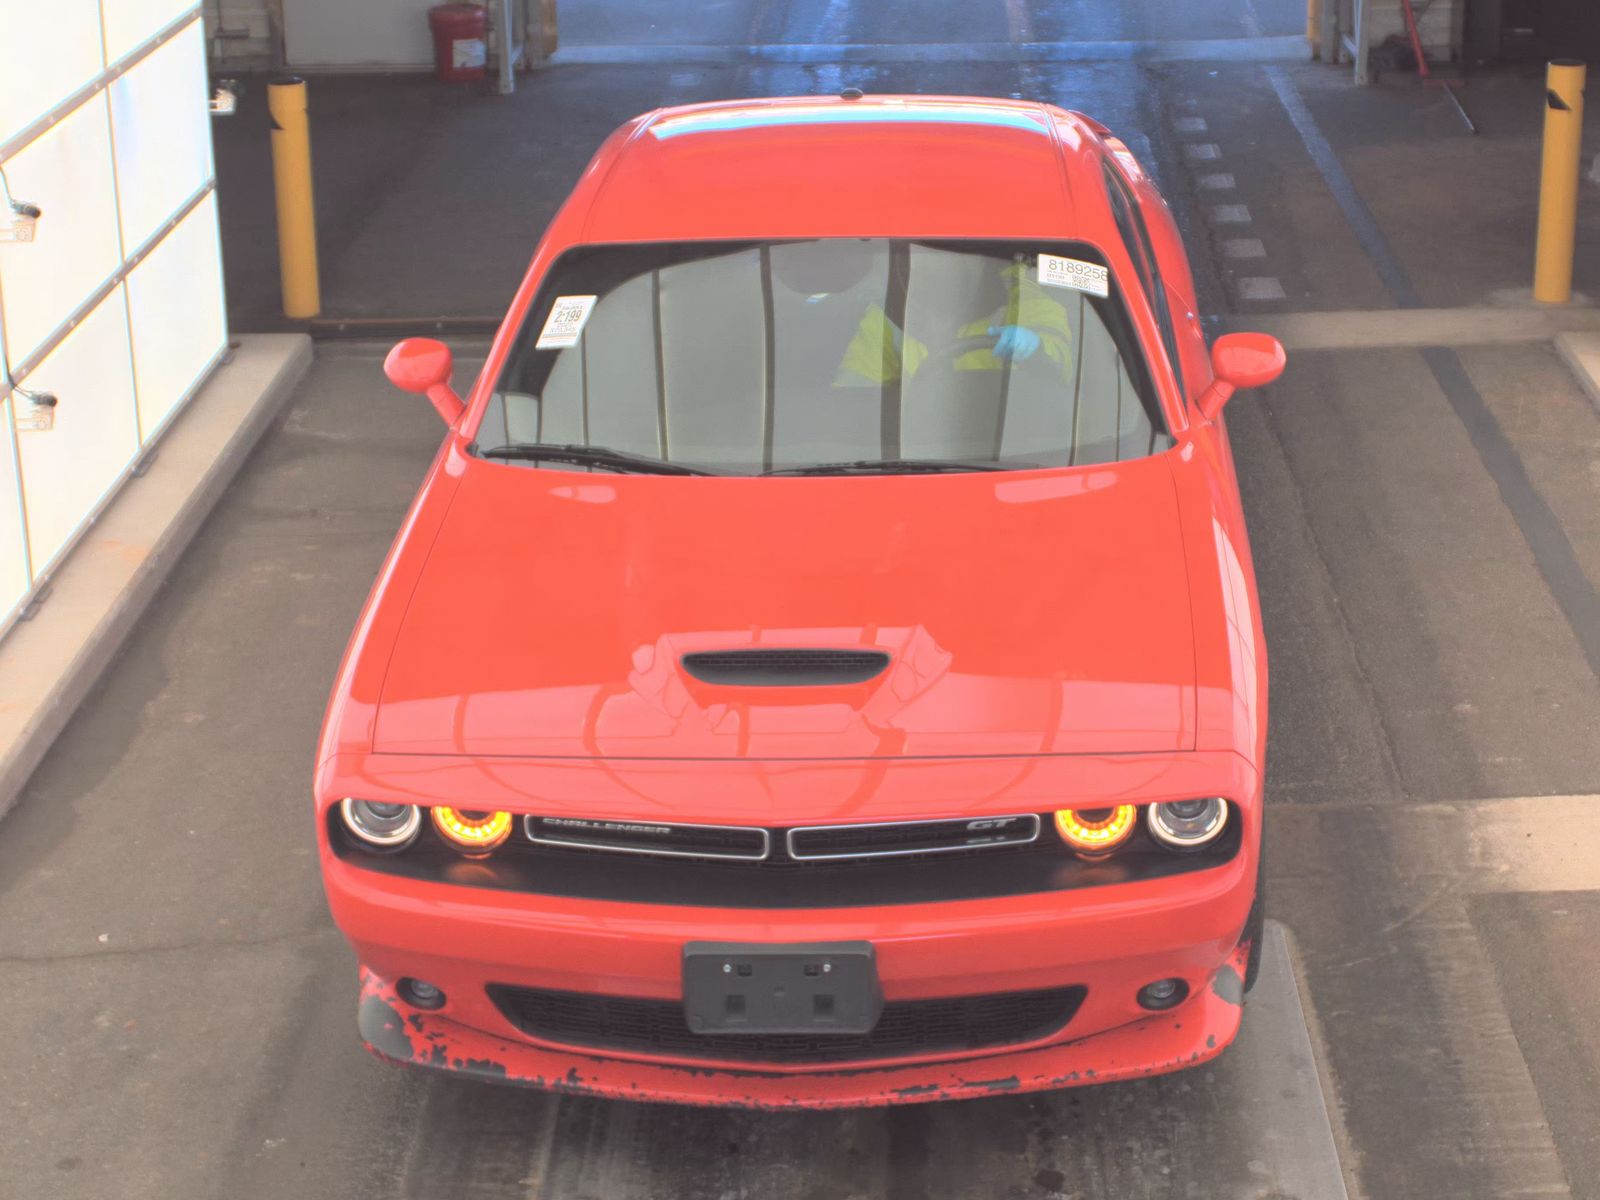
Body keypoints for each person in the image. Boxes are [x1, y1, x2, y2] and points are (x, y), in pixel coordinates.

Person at [770, 240, 1075, 389]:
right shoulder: (889, 315)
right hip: (918, 442)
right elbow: (855, 390)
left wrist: (1037, 347)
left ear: (980, 266)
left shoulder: (1019, 299)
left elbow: (1061, 355)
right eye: (924, 271)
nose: (940, 278)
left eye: (954, 265)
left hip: (1019, 434)